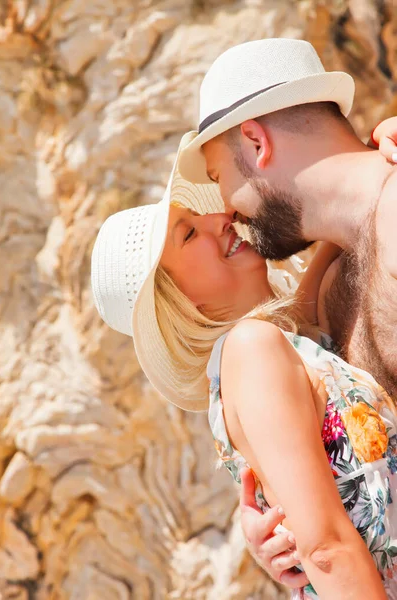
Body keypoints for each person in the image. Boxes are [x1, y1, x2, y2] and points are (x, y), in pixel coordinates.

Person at [91, 132, 397, 599]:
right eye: (189, 233)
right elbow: (325, 551)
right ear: (179, 301)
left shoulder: (287, 337)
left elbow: (356, 207)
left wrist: (384, 141)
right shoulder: (252, 351)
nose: (220, 218)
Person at [175, 38, 397, 591]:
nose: (227, 208)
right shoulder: (330, 291)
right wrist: (287, 519)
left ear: (254, 141)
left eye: (218, 175)